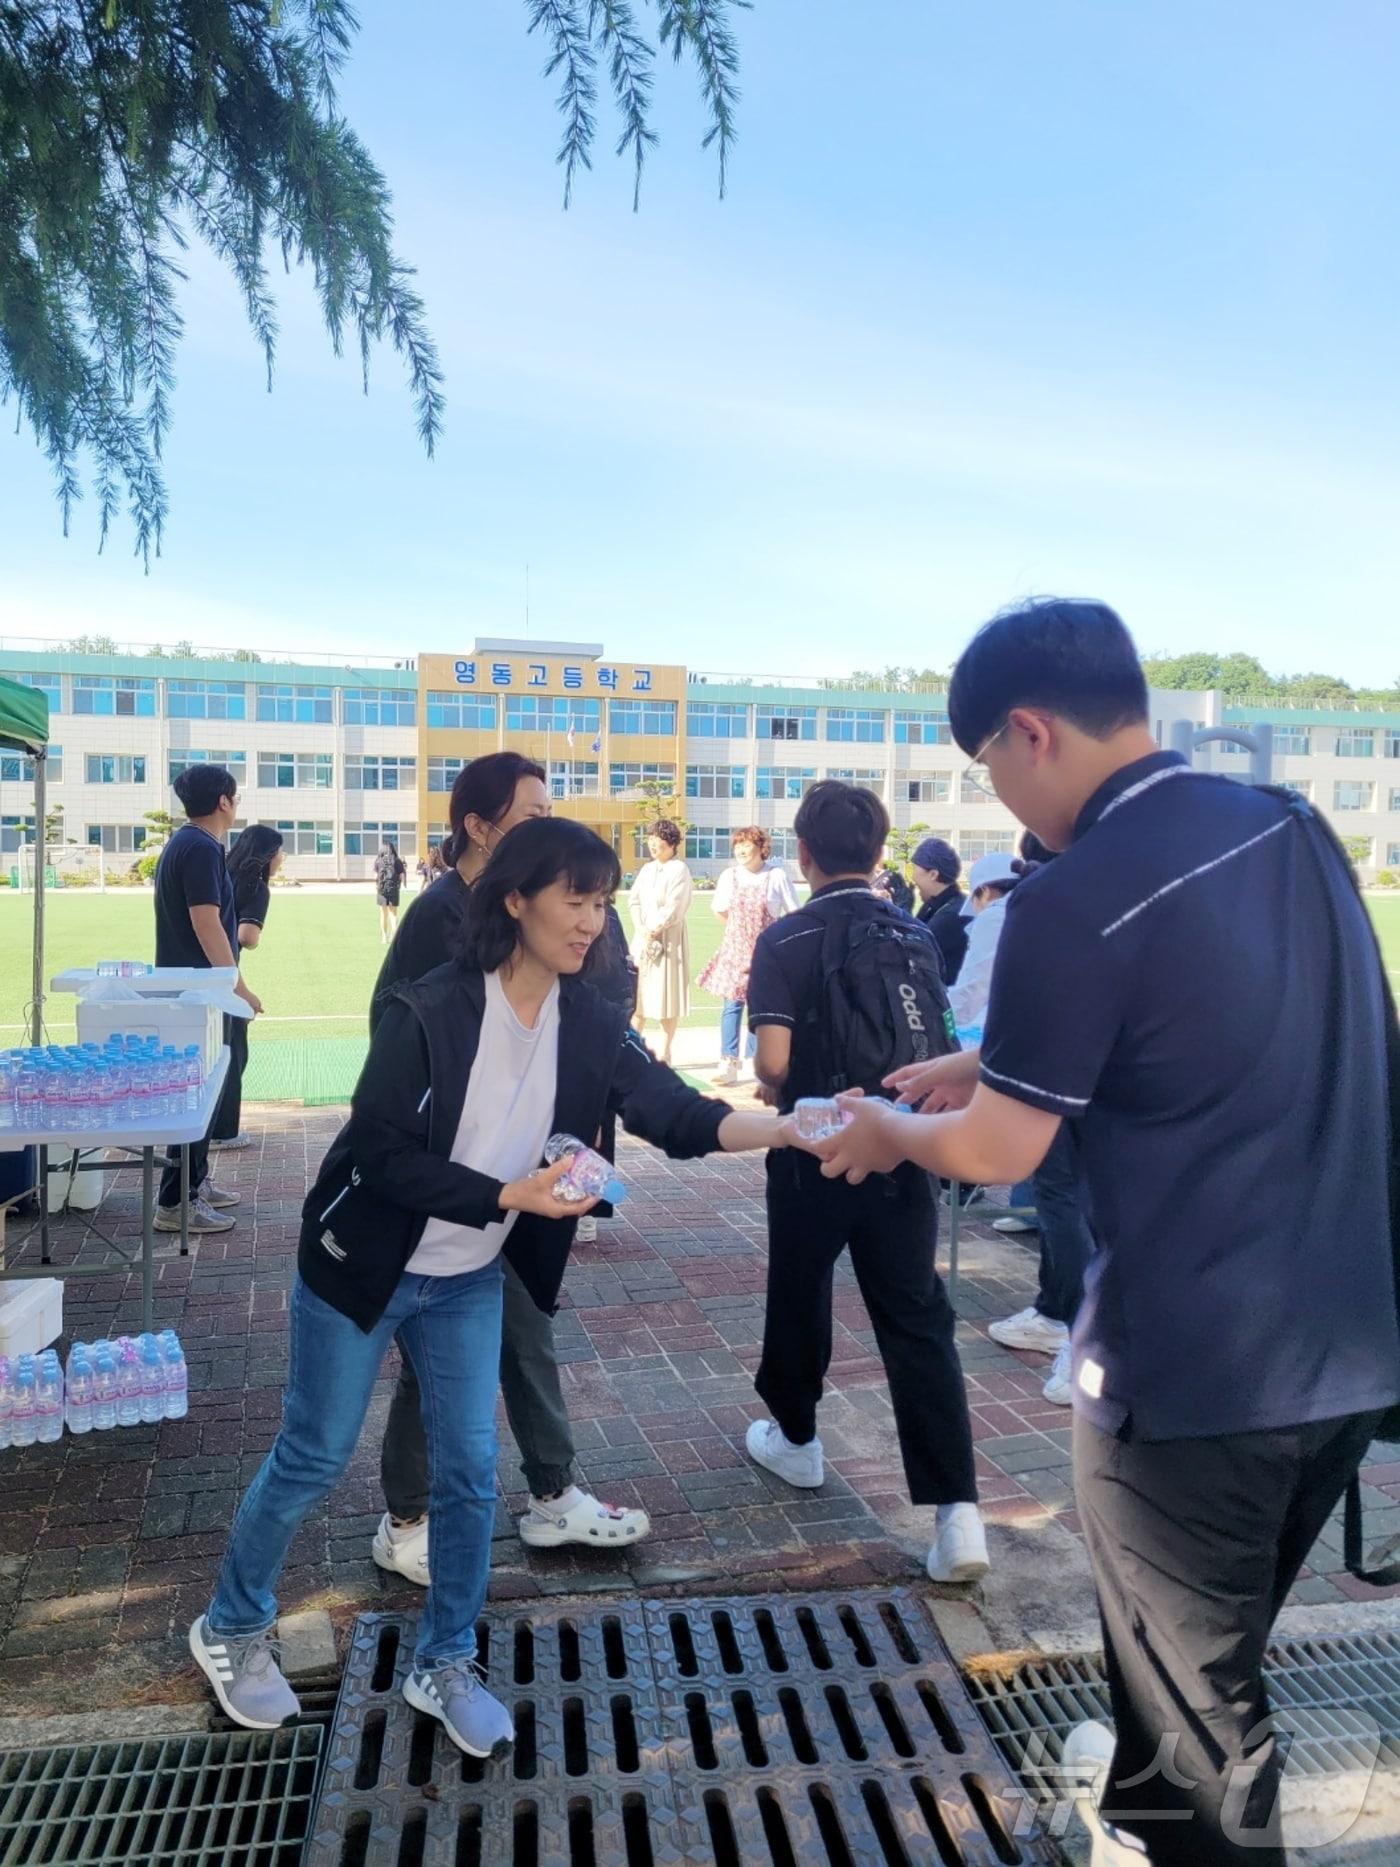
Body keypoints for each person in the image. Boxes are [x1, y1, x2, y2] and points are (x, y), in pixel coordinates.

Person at [792, 598, 1400, 1867]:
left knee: (1205, 1731)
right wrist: (978, 1060)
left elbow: (996, 1153)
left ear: (1027, 731)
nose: (1002, 801)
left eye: (989, 768)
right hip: (1347, 1354)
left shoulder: (1076, 897)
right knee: (1190, 1656)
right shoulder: (1289, 829)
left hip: (1189, 1386)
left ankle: (1169, 1827)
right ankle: (1131, 1816)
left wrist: (881, 1127)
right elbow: (1204, 1029)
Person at [188, 817, 788, 1756]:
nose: (594, 920)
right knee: (313, 1453)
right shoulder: (431, 1008)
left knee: (469, 1475)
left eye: (601, 900)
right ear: (516, 899)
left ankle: (445, 1658)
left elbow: (672, 1111)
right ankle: (229, 1625)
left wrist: (786, 1130)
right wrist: (504, 1194)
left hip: (466, 1279)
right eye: (575, 899)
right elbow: (378, 1153)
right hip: (362, 1268)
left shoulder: (588, 1017)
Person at [369, 754, 644, 1582]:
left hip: (530, 1174)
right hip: (449, 1191)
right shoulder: (440, 916)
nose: (545, 825)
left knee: (524, 1329)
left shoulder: (556, 917)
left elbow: (597, 1012)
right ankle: (408, 1515)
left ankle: (551, 1491)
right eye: (528, 815)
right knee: (431, 1357)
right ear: (478, 828)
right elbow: (397, 1035)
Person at [744, 780, 988, 1585]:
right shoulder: (915, 932)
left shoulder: (785, 937)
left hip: (815, 1142)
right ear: (880, 851)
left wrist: (772, 1091)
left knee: (800, 1285)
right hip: (902, 1143)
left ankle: (798, 1437)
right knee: (916, 1313)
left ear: (803, 852)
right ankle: (957, 1513)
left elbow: (775, 1063)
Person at [152, 763, 262, 1235]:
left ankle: (194, 1184)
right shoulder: (199, 847)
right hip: (200, 994)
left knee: (205, 1089)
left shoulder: (189, 844)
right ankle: (176, 1202)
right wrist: (237, 986)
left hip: (196, 990)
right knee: (197, 1092)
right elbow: (205, 921)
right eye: (235, 798)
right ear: (224, 801)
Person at [698, 827, 799, 1087]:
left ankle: (758, 1065)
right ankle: (728, 1062)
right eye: (738, 845)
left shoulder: (776, 876)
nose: (741, 850)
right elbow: (719, 910)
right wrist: (738, 933)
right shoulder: (729, 876)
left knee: (760, 1009)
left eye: (747, 845)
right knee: (731, 1007)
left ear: (761, 847)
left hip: (766, 954)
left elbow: (793, 914)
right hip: (735, 951)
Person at [211, 825, 284, 1152]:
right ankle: (223, 1131)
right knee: (234, 1051)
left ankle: (210, 1127)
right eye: (280, 851)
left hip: (200, 976)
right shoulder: (257, 888)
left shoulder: (222, 872)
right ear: (269, 855)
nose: (283, 859)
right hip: (226, 979)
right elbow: (246, 936)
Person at [628, 820, 692, 1065]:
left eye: (660, 843)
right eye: (651, 841)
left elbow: (675, 906)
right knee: (638, 996)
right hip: (642, 939)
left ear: (672, 844)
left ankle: (665, 1051)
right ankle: (634, 1046)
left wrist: (655, 929)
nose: (654, 846)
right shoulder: (647, 870)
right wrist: (641, 928)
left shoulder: (679, 870)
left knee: (667, 995)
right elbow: (634, 900)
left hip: (668, 940)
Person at [946, 850, 1021, 1039]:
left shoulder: (995, 915)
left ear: (985, 891)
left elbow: (973, 989)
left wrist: (938, 1018)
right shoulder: (1030, 905)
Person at [910, 837, 969, 984]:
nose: (912, 877)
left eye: (914, 868)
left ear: (933, 874)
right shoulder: (935, 904)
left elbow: (914, 952)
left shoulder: (953, 914)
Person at [374, 839, 408, 944]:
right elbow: (402, 876)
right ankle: (395, 937)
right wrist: (398, 886)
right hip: (393, 889)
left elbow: (375, 877)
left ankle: (384, 937)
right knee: (393, 914)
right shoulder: (397, 861)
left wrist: (377, 886)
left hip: (382, 889)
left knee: (383, 915)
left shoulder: (378, 861)